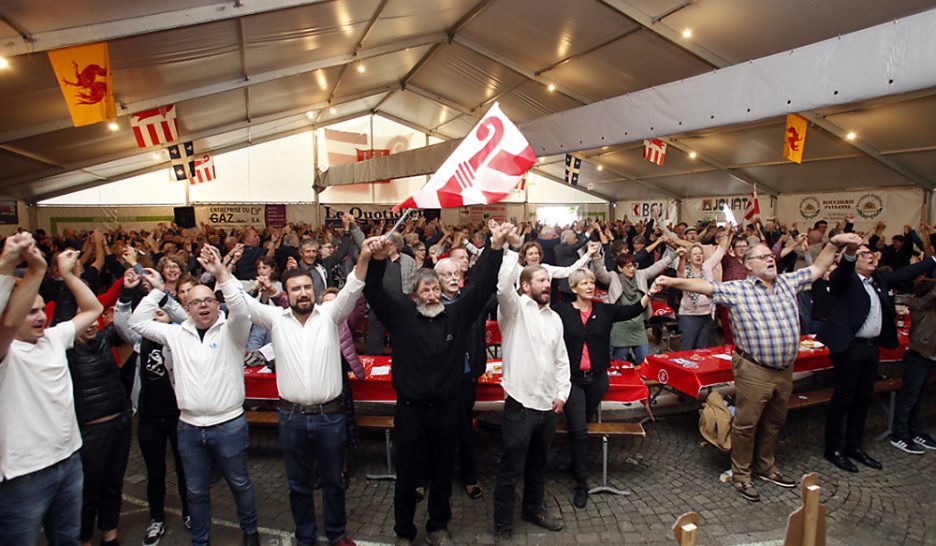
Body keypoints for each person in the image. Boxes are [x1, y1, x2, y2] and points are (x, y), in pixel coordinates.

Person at [653, 232, 862, 502]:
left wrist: (835, 243)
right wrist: (672, 280)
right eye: (762, 257)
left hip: (785, 369)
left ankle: (765, 465)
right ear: (749, 265)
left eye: (770, 256)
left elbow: (819, 267)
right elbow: (704, 286)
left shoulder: (788, 282)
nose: (770, 260)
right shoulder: (739, 289)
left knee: (775, 421)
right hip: (754, 369)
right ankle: (741, 474)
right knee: (747, 424)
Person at [211, 237, 377, 546]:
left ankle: (337, 534)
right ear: (285, 294)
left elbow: (354, 286)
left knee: (334, 483)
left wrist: (364, 255)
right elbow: (239, 302)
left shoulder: (331, 316)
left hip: (330, 416)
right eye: (295, 289)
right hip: (292, 418)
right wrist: (221, 272)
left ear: (313, 290)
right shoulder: (275, 319)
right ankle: (306, 537)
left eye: (306, 287)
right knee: (298, 485)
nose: (302, 293)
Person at [365, 224, 506, 546]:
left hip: (446, 409)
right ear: (414, 296)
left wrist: (495, 249)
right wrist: (375, 259)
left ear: (441, 291)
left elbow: (483, 285)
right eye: (424, 291)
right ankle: (404, 531)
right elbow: (373, 291)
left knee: (443, 472)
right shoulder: (400, 316)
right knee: (407, 476)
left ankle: (437, 527)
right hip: (410, 411)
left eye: (434, 290)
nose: (431, 295)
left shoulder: (456, 317)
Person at [129, 255, 261, 546]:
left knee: (240, 484)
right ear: (186, 309)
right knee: (196, 491)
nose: (203, 305)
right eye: (196, 302)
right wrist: (159, 290)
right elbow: (137, 322)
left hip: (228, 424)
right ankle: (200, 541)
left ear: (217, 305)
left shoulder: (233, 332)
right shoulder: (176, 335)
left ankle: (250, 535)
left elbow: (241, 309)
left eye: (208, 300)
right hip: (188, 428)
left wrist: (221, 274)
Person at [0, 242, 104, 545]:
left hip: (69, 460)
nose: (40, 317)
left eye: (40, 309)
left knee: (67, 539)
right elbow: (6, 322)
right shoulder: (7, 354)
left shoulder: (54, 338)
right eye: (29, 311)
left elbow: (94, 308)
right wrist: (24, 267)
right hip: (24, 476)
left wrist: (67, 274)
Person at [818, 244, 936, 472]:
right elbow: (842, 271)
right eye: (864, 254)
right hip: (850, 348)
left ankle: (854, 446)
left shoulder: (878, 280)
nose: (870, 256)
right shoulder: (845, 279)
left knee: (863, 398)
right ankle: (833, 449)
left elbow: (905, 274)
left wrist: (933, 260)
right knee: (843, 399)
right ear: (853, 261)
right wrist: (850, 253)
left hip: (872, 348)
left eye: (871, 253)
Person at [493, 226, 570, 539]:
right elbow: (501, 288)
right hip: (521, 405)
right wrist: (512, 250)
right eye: (541, 280)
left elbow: (562, 361)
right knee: (511, 467)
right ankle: (502, 523)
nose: (547, 284)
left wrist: (562, 394)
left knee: (539, 465)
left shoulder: (555, 318)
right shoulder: (513, 311)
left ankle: (533, 509)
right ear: (525, 286)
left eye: (548, 280)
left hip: (548, 406)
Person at [114, 269, 190, 545]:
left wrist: (166, 296)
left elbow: (187, 317)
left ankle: (189, 513)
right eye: (153, 312)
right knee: (155, 472)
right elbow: (124, 323)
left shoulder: (180, 337)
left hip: (178, 414)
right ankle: (156, 519)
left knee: (184, 468)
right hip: (148, 415)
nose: (156, 314)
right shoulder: (140, 340)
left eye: (161, 311)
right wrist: (125, 295)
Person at [67, 302, 132, 546]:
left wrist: (128, 293)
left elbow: (128, 328)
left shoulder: (106, 338)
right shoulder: (66, 351)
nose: (92, 323)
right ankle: (84, 540)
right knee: (88, 492)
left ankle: (109, 537)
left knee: (113, 485)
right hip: (90, 432)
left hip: (119, 424)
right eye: (85, 318)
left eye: (95, 317)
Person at [593, 244, 675, 364]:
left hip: (638, 328)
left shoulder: (640, 275)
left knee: (644, 362)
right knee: (621, 364)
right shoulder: (614, 278)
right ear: (620, 268)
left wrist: (674, 254)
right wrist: (596, 257)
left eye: (633, 266)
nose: (632, 269)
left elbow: (658, 266)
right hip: (620, 329)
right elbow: (600, 273)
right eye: (628, 266)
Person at [889, 278, 936, 454]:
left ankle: (916, 432)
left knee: (919, 398)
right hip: (918, 357)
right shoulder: (919, 306)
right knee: (908, 398)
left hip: (930, 358)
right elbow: (927, 299)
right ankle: (899, 434)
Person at [676, 234, 728, 350]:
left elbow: (720, 251)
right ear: (689, 258)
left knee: (704, 350)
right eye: (695, 254)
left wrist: (727, 233)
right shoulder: (686, 271)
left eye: (700, 253)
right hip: (689, 316)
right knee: (687, 349)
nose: (698, 256)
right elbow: (680, 272)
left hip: (707, 315)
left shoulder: (707, 267)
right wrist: (682, 258)